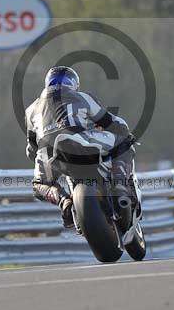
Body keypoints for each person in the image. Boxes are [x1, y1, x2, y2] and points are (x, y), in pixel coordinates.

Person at [24, 65, 138, 229]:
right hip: (80, 140)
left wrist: (38, 156)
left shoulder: (30, 110)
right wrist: (123, 130)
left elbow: (31, 149)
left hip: (47, 154)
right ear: (73, 83)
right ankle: (119, 186)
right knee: (125, 141)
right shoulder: (82, 97)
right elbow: (114, 123)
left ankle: (64, 202)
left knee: (38, 185)